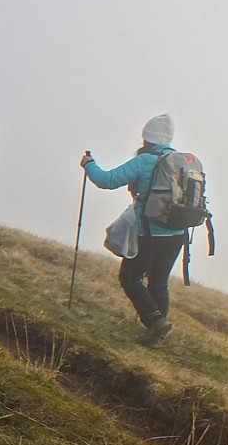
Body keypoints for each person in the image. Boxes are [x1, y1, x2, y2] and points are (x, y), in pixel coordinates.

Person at [79, 114, 187, 346]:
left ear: (146, 138)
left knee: (130, 277)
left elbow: (107, 180)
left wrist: (89, 164)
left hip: (150, 232)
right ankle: (157, 333)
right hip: (178, 234)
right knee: (158, 281)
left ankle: (155, 322)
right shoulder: (181, 161)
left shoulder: (146, 160)